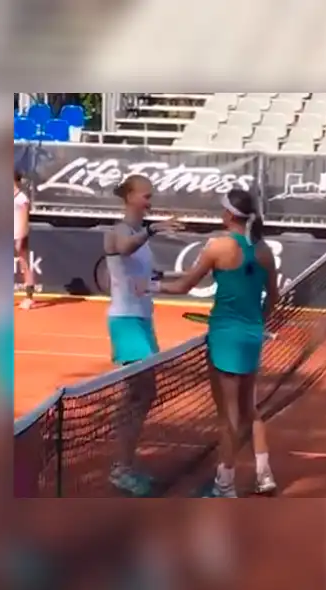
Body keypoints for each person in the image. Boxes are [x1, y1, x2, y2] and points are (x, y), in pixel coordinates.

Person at [157, 189, 279, 498]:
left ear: (228, 215)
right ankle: (264, 474)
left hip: (224, 336)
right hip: (252, 336)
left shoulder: (217, 247)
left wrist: (150, 285)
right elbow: (273, 299)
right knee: (249, 408)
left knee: (228, 417)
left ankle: (225, 485)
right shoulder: (264, 252)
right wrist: (257, 320)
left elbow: (185, 284)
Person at [104, 174, 184, 497]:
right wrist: (153, 228)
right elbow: (124, 249)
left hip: (143, 320)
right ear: (130, 197)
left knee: (143, 394)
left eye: (151, 196)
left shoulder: (140, 234)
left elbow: (149, 275)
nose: (149, 201)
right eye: (145, 196)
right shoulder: (117, 232)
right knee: (140, 390)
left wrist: (200, 270)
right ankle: (121, 467)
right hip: (125, 321)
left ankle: (124, 462)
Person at [14, 171, 36, 310]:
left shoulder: (22, 198)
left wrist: (20, 236)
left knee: (24, 265)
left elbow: (24, 219)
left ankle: (29, 298)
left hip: (20, 235)